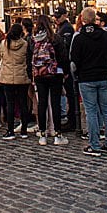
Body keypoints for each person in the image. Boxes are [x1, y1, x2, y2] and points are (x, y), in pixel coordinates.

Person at [70, 6, 107, 156]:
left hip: (86, 77)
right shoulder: (106, 36)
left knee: (91, 112)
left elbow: (74, 60)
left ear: (83, 20)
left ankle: (94, 144)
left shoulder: (79, 38)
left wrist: (75, 73)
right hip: (104, 76)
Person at [31, 14, 67, 146]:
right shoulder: (55, 38)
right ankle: (58, 134)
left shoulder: (34, 40)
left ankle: (42, 134)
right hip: (54, 73)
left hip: (40, 74)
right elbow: (63, 56)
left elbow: (29, 58)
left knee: (42, 103)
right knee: (55, 103)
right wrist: (65, 71)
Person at [0, 21, 31, 139]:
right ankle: (24, 130)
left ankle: (10, 130)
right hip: (22, 76)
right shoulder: (25, 44)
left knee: (10, 104)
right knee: (23, 103)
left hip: (7, 77)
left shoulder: (4, 44)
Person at [53, 6, 79, 134]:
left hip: (66, 65)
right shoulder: (61, 28)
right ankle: (71, 118)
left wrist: (65, 69)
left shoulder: (67, 28)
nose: (56, 19)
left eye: (58, 16)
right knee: (68, 94)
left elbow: (65, 48)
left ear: (65, 15)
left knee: (70, 94)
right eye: (55, 16)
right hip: (63, 65)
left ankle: (73, 120)